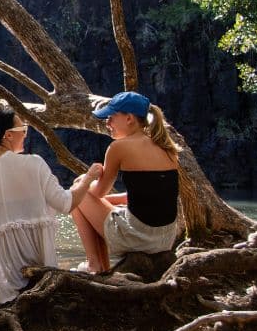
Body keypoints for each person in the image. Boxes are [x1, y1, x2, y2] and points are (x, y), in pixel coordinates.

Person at [0, 108, 103, 322]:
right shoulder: (34, 163)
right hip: (37, 263)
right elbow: (67, 203)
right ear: (8, 135)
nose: (26, 133)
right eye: (23, 129)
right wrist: (88, 178)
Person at [70, 91, 180, 273]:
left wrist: (88, 178)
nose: (107, 123)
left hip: (139, 237)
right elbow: (149, 194)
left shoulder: (118, 147)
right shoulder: (166, 147)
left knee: (78, 189)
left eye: (111, 117)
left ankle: (95, 264)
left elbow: (97, 193)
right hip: (166, 238)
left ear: (129, 118)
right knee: (87, 193)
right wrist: (107, 203)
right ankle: (102, 266)